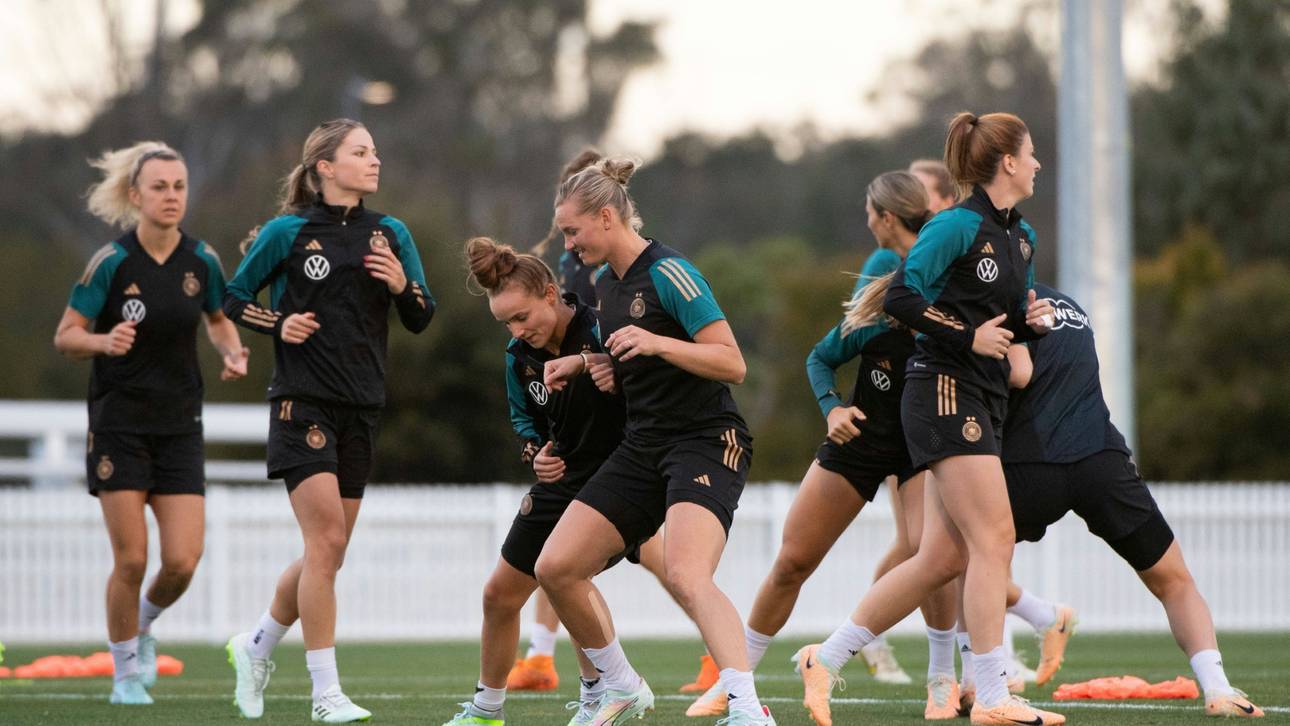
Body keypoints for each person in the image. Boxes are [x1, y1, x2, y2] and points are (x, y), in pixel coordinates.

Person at [796, 112, 1063, 726]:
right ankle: (992, 697)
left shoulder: (1021, 236)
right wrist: (970, 338)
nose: (1039, 164)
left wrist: (1029, 322)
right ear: (1008, 163)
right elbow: (901, 297)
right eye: (1032, 153)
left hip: (981, 396)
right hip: (943, 392)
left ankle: (826, 658)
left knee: (940, 560)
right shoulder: (954, 225)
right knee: (993, 538)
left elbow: (995, 317)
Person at [684, 171, 958, 721]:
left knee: (932, 557)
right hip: (861, 439)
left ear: (885, 217)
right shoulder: (882, 291)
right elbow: (820, 357)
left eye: (868, 212)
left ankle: (943, 680)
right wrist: (832, 406)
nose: (867, 221)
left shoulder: (950, 283)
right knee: (792, 560)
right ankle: (735, 684)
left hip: (925, 444)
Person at [537, 158, 773, 725]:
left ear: (605, 216)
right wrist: (590, 362)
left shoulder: (671, 272)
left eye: (573, 231)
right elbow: (635, 361)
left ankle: (747, 710)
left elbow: (731, 362)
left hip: (706, 440)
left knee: (688, 575)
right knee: (556, 567)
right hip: (643, 445)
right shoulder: (603, 284)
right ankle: (619, 685)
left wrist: (658, 344)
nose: (568, 245)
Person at [222, 119, 434, 723]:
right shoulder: (289, 232)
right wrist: (277, 324)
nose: (374, 161)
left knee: (326, 554)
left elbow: (422, 314)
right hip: (301, 401)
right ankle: (325, 694)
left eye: (375, 151)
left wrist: (401, 285)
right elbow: (233, 298)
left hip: (362, 406)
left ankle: (257, 644)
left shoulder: (391, 232)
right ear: (325, 167)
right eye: (361, 152)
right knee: (327, 543)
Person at [995, 284, 1264, 719]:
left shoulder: (993, 306)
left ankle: (989, 680)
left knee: (967, 563)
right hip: (1102, 460)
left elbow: (1011, 377)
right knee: (1175, 581)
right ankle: (1219, 688)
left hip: (1031, 462)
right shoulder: (1074, 307)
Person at [54, 142, 248, 706]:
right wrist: (101, 340)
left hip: (180, 425)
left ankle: (139, 626)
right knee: (132, 558)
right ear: (136, 196)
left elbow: (218, 320)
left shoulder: (201, 260)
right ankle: (123, 676)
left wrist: (231, 352)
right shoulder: (111, 262)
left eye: (179, 186)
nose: (171, 196)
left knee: (183, 561)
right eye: (159, 187)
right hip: (119, 424)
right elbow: (66, 335)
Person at [443, 236, 640, 726]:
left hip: (619, 477)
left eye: (523, 316)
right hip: (564, 479)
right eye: (506, 322)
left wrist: (610, 371)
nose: (516, 330)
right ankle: (487, 709)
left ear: (551, 294)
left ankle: (605, 693)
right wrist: (537, 456)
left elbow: (649, 394)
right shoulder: (518, 356)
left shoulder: (602, 329)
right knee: (499, 595)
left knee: (568, 576)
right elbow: (524, 422)